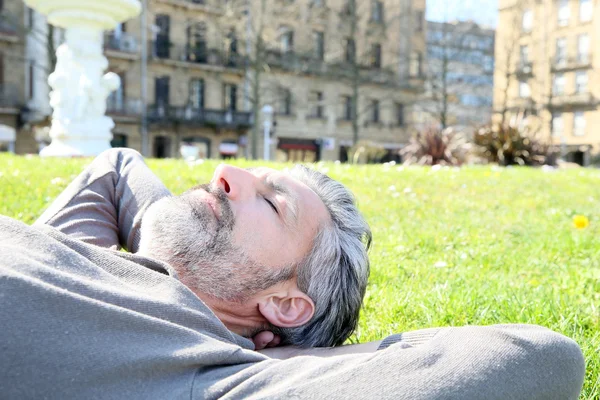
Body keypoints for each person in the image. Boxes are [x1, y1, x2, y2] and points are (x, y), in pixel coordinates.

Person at [0, 148, 585, 399]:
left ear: (285, 303)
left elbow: (542, 357)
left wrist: (271, 356)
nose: (227, 172)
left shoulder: (195, 373)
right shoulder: (93, 263)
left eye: (273, 203)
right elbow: (118, 168)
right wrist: (160, 236)